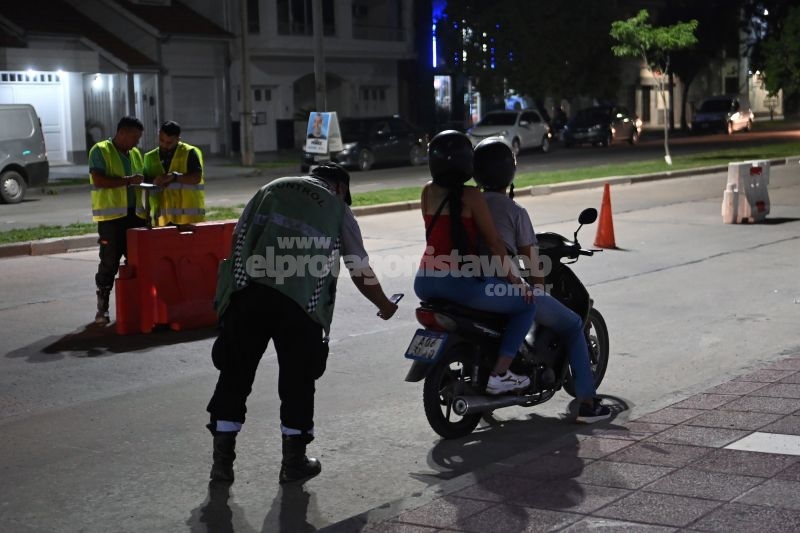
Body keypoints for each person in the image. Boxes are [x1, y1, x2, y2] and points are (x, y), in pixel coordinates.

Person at [206, 162, 398, 485]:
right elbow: (357, 267)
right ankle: (292, 463)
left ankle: (221, 465)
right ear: (339, 188)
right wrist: (384, 304)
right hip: (300, 303)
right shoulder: (338, 208)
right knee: (297, 380)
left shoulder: (270, 188)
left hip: (248, 294)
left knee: (234, 375)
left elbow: (239, 236)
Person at [472, 137, 611, 423]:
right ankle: (587, 403)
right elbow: (533, 261)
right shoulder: (514, 212)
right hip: (503, 286)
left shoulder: (468, 206)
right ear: (509, 172)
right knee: (572, 324)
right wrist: (539, 286)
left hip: (468, 284)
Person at [413, 130, 536, 395]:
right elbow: (493, 243)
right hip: (459, 283)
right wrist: (519, 281)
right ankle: (501, 373)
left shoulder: (426, 192)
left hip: (423, 281)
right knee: (527, 305)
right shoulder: (472, 196)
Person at [89, 116, 148, 324]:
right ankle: (102, 308)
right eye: (135, 137)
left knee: (137, 262)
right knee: (109, 262)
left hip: (135, 216)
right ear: (122, 133)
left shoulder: (135, 155)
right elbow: (99, 180)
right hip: (112, 218)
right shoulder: (100, 150)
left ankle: (135, 306)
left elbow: (142, 180)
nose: (137, 142)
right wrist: (127, 181)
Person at [143, 120, 205, 227]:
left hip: (188, 218)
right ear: (159, 135)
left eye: (169, 143)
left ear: (178, 139)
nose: (164, 145)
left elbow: (196, 178)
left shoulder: (189, 152)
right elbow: (146, 182)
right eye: (161, 140)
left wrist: (174, 177)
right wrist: (155, 180)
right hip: (163, 218)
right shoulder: (150, 157)